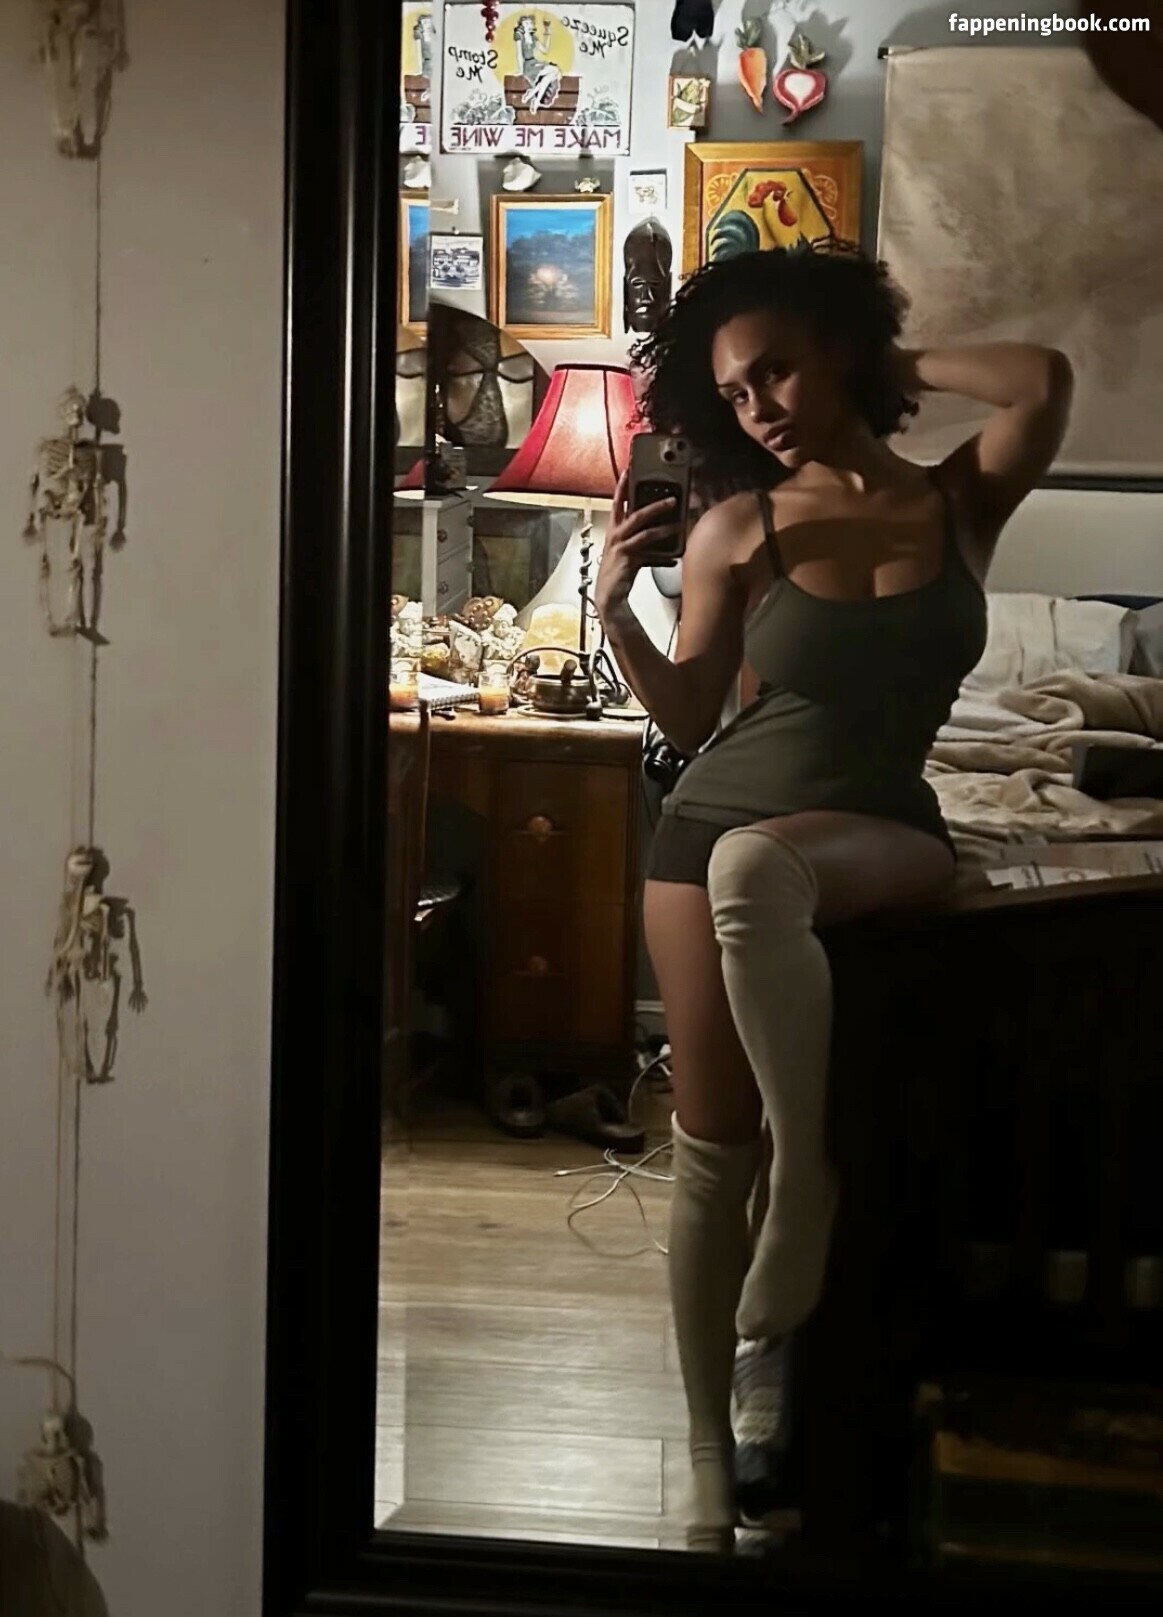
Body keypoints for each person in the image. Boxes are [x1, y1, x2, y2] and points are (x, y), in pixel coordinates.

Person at [593, 243, 1073, 1553]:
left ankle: (804, 1183)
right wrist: (616, 609)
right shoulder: (737, 528)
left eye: (780, 370)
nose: (759, 408)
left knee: (767, 872)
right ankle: (712, 1459)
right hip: (709, 833)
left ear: (841, 347)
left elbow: (1040, 379)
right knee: (710, 1160)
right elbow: (691, 718)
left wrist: (890, 361)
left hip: (882, 825)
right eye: (734, 395)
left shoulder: (956, 501)